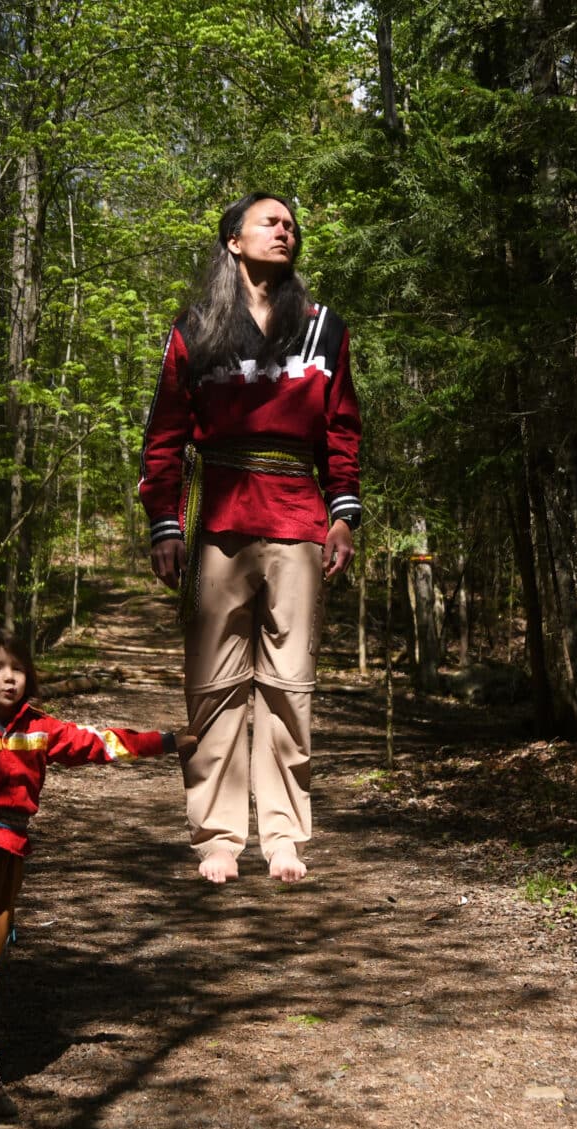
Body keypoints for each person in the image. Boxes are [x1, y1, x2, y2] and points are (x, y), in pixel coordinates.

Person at [139, 192, 361, 885]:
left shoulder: (324, 330)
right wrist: (166, 525)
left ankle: (286, 836)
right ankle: (218, 835)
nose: (285, 230)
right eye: (270, 221)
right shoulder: (196, 328)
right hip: (221, 522)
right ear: (232, 241)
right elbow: (166, 435)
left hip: (298, 521)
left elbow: (343, 430)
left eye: (291, 224)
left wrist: (344, 514)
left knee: (289, 684)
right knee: (214, 685)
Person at [0, 628, 195, 1119]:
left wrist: (166, 742)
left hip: (9, 853)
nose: (8, 678)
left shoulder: (38, 729)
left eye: (17, 669)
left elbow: (99, 743)